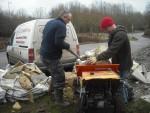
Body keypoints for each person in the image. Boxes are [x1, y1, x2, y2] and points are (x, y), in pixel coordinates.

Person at [40, 10, 72, 107]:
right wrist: (67, 45)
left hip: (43, 55)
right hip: (51, 56)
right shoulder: (61, 25)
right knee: (60, 76)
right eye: (69, 19)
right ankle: (59, 101)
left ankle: (52, 93)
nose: (69, 22)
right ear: (64, 17)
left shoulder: (50, 22)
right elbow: (58, 42)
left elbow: (44, 35)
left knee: (54, 74)